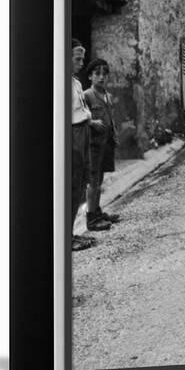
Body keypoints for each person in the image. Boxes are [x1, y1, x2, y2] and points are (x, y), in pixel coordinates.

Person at [71, 39, 104, 251]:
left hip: (83, 131)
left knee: (81, 185)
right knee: (72, 186)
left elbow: (81, 112)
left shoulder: (75, 82)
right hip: (72, 136)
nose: (82, 63)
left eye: (82, 59)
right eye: (77, 59)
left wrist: (90, 122)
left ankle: (71, 233)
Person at [84, 58, 120, 230]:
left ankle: (98, 211)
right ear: (90, 76)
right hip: (93, 145)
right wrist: (92, 123)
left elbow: (110, 117)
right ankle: (91, 219)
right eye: (97, 73)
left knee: (100, 179)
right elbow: (78, 117)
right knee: (93, 182)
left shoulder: (107, 95)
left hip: (106, 143)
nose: (101, 77)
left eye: (104, 74)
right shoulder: (87, 96)